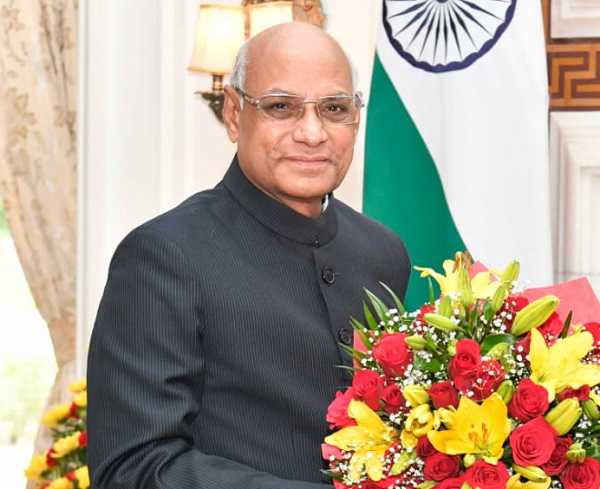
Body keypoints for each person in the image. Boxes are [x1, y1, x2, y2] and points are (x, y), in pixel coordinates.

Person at [87, 22, 410, 489]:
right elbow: (132, 467)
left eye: (334, 109)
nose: (313, 133)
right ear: (235, 114)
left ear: (356, 118)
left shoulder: (383, 252)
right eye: (281, 107)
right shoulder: (163, 256)